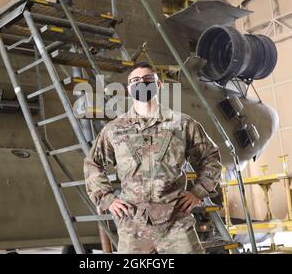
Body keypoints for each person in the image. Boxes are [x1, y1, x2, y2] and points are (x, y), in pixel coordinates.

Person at [84, 62, 222, 254]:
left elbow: (210, 157)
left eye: (148, 79)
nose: (142, 83)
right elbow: (93, 163)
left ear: (158, 85)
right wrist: (107, 199)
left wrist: (197, 192)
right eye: (135, 81)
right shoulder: (114, 130)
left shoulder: (182, 124)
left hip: (175, 222)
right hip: (133, 225)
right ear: (129, 88)